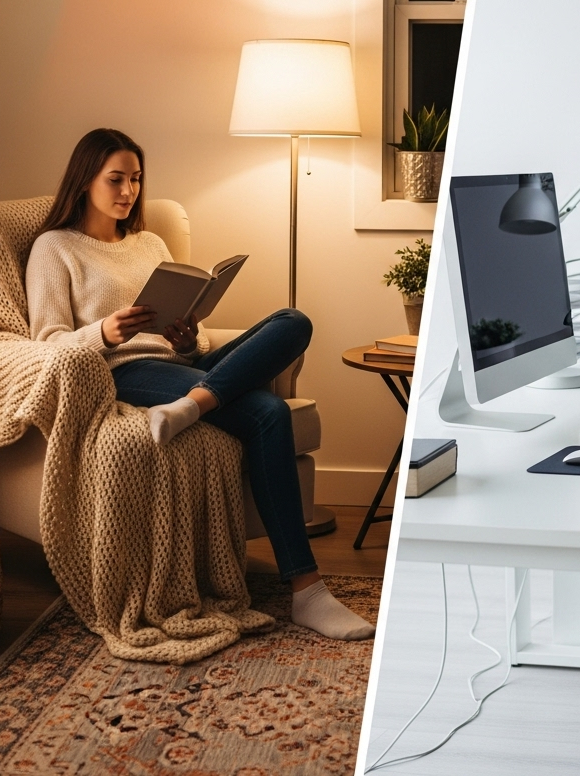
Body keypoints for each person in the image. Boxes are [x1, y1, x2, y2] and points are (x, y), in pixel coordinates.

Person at [25, 128, 375, 642]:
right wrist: (105, 331)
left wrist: (188, 338)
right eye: (115, 179)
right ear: (84, 182)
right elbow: (47, 342)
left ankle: (192, 404)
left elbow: (195, 338)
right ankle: (308, 590)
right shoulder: (54, 248)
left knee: (293, 321)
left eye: (136, 180)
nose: (128, 192)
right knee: (267, 412)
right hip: (126, 371)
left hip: (182, 367)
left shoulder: (150, 243)